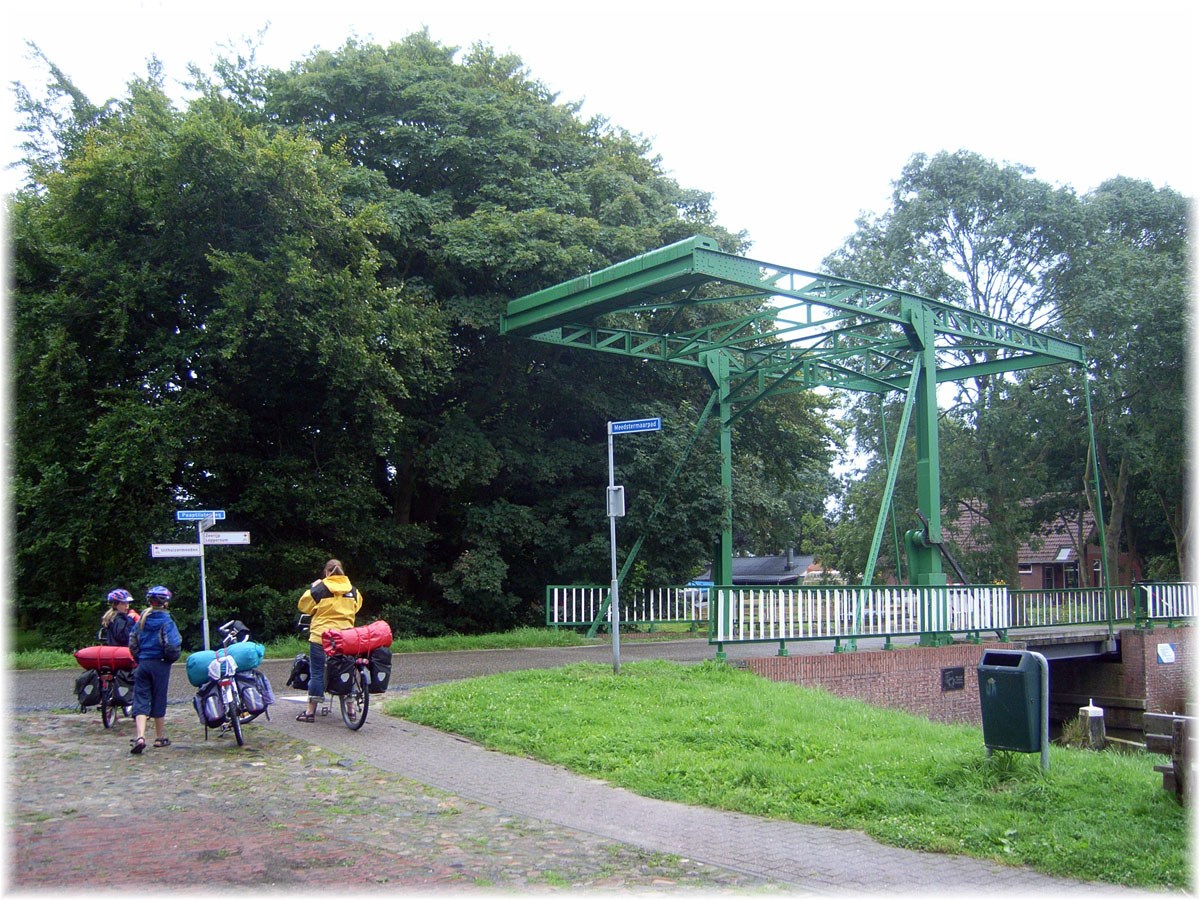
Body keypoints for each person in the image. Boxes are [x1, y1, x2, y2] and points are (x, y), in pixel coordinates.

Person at [295, 559, 362, 722]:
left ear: (326, 572)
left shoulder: (319, 589)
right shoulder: (352, 590)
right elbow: (357, 606)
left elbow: (303, 606)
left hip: (321, 637)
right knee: (348, 670)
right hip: (346, 638)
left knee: (317, 673)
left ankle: (310, 713)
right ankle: (351, 711)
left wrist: (314, 586)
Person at [128, 585, 182, 754]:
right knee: (159, 697)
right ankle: (159, 738)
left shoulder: (142, 619)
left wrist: (140, 659)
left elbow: (133, 643)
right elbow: (173, 645)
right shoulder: (167, 621)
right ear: (165, 603)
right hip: (160, 663)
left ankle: (140, 737)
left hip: (143, 663)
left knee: (141, 697)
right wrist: (169, 659)